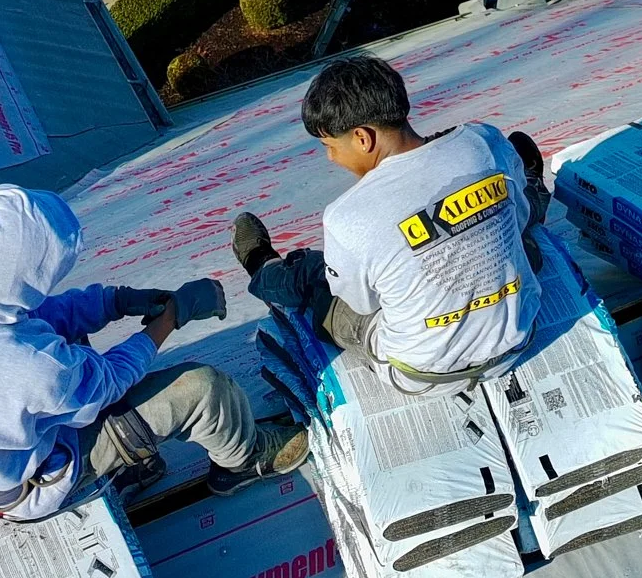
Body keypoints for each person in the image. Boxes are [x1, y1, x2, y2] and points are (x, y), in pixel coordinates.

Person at [0, 185, 307, 522]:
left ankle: (133, 462)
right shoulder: (31, 368)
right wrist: (173, 314)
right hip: (28, 483)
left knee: (64, 352)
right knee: (203, 390)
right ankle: (245, 462)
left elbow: (32, 314)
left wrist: (118, 301)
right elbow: (109, 378)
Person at [232, 56, 547, 393]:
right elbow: (519, 217)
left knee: (314, 276)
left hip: (422, 374)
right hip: (516, 340)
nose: (330, 157)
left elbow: (364, 304)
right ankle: (532, 182)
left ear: (362, 138)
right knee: (513, 219)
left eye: (329, 146)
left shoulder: (347, 216)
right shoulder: (482, 141)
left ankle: (262, 266)